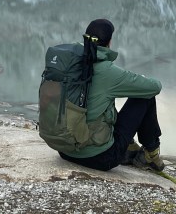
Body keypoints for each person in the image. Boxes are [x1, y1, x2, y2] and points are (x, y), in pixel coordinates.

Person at [58, 18, 165, 172]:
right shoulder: (107, 71)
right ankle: (150, 154)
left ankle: (131, 147)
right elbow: (154, 87)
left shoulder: (69, 63)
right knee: (145, 96)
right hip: (100, 158)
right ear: (109, 42)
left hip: (65, 150)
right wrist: (142, 79)